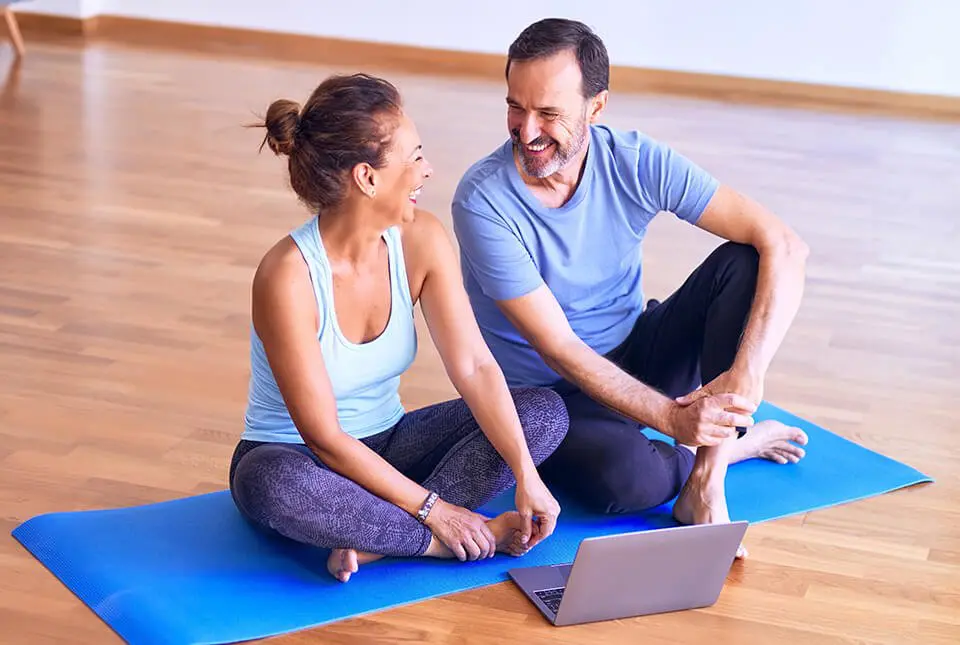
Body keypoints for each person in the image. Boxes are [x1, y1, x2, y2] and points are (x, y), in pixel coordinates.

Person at [451, 18, 810, 556]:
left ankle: (706, 485)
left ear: (596, 108)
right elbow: (561, 348)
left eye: (549, 113)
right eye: (514, 107)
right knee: (626, 483)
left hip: (639, 350)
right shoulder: (482, 202)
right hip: (553, 398)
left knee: (747, 260)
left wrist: (747, 374)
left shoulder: (636, 161)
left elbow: (784, 244)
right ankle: (732, 448)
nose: (526, 131)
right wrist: (672, 418)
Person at [229, 73, 569, 583]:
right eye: (413, 157)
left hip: (391, 443)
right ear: (367, 178)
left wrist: (526, 474)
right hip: (301, 458)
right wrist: (436, 512)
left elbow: (475, 366)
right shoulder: (288, 276)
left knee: (543, 414)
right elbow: (323, 438)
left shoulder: (423, 240)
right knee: (270, 484)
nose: (427, 169)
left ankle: (375, 543)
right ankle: (437, 541)